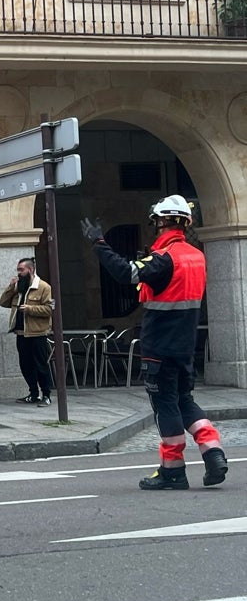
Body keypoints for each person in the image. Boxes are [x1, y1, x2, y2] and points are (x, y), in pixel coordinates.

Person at [81, 195, 228, 490]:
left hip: (159, 347)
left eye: (156, 223)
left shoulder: (164, 258)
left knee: (165, 406)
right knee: (185, 400)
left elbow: (126, 273)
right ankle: (213, 450)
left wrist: (99, 243)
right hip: (185, 345)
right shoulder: (197, 256)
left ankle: (173, 470)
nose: (155, 229)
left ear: (162, 222)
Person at [0, 258, 53, 407]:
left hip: (37, 333)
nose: (19, 273)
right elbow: (3, 302)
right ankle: (33, 393)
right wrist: (11, 288)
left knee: (41, 365)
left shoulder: (43, 287)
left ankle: (46, 394)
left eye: (21, 270)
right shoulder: (19, 287)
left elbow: (49, 309)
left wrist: (30, 309)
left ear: (30, 270)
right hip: (21, 333)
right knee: (25, 365)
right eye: (18, 270)